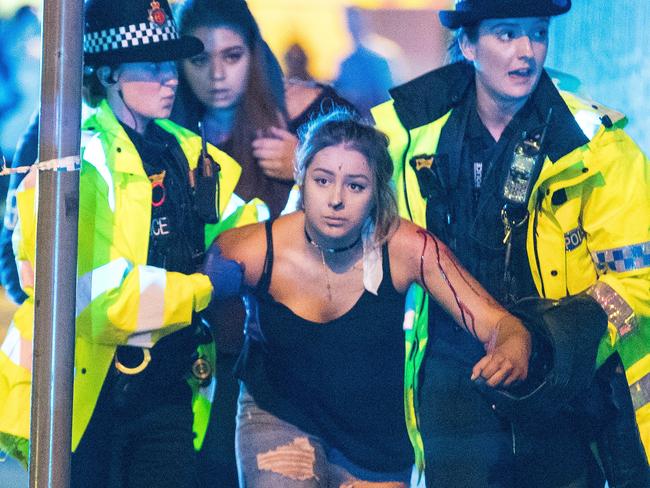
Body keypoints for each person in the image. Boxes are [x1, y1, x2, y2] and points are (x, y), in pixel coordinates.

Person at [371, 0, 650, 486]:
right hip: (450, 381)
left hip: (562, 383)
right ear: (467, 45)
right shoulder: (401, 135)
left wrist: (541, 343)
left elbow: (638, 281)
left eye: (538, 34)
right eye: (506, 34)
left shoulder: (597, 146)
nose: (526, 52)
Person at [0, 0, 248, 486]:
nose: (170, 77)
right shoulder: (77, 162)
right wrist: (203, 287)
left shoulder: (187, 150)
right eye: (152, 65)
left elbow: (247, 230)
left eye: (170, 62)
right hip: (82, 402)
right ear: (110, 72)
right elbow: (103, 302)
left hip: (167, 395)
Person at [216, 109, 533, 487]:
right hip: (280, 413)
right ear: (301, 179)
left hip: (372, 437)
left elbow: (497, 322)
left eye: (355, 186)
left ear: (377, 193)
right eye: (322, 180)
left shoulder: (407, 247)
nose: (336, 200)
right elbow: (195, 306)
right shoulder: (253, 250)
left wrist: (514, 347)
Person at [172, 2, 355, 485]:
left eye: (232, 56)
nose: (216, 74)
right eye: (198, 59)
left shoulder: (306, 112)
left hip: (296, 355)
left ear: (254, 53)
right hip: (190, 348)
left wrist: (309, 164)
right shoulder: (163, 130)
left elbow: (375, 197)